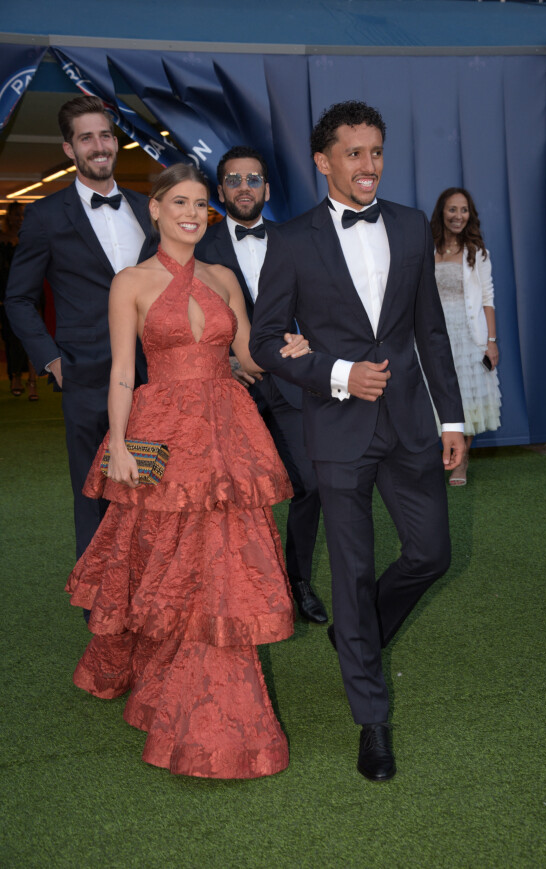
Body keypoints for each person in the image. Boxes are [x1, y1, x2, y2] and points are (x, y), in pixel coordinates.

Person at [65, 163, 311, 779]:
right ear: (155, 209)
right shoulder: (132, 282)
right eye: (180, 201)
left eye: (202, 203)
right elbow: (125, 370)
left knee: (217, 563)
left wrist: (300, 349)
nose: (193, 213)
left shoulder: (224, 277)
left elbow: (249, 355)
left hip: (226, 432)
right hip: (162, 434)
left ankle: (207, 703)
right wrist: (118, 442)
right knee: (158, 555)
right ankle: (152, 671)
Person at [250, 101, 465, 782]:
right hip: (338, 429)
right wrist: (338, 372)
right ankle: (372, 721)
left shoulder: (406, 225)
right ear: (324, 160)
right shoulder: (289, 240)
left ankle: (358, 633)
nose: (368, 165)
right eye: (354, 153)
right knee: (352, 570)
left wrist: (453, 420)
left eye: (375, 152)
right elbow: (262, 342)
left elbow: (429, 330)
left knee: (431, 552)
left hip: (409, 425)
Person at [4, 95, 156, 564]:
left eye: (105, 135)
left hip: (155, 374)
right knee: (94, 491)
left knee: (153, 486)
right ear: (69, 149)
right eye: (86, 137)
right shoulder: (46, 216)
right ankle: (101, 605)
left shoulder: (147, 207)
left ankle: (152, 590)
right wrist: (52, 361)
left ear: (115, 142)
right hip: (87, 376)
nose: (99, 145)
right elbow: (17, 298)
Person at [196, 146, 327, 625]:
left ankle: (296, 583)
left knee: (308, 484)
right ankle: (231, 591)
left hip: (290, 384)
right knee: (228, 495)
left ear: (267, 190)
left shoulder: (296, 240)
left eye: (253, 179)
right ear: (220, 191)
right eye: (234, 179)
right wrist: (222, 359)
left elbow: (322, 304)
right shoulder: (198, 247)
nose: (244, 187)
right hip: (227, 387)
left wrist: (308, 337)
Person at [430, 188, 501, 485]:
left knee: (466, 400)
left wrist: (491, 342)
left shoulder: (478, 253)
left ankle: (462, 461)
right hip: (434, 336)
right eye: (452, 209)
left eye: (464, 210)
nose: (458, 216)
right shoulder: (428, 249)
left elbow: (487, 299)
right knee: (436, 397)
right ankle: (440, 457)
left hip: (469, 337)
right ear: (442, 213)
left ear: (470, 215)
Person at [0, 203, 39, 400]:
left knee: (33, 336)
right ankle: (15, 377)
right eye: (15, 215)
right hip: (8, 297)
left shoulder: (32, 237)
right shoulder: (2, 240)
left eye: (21, 215)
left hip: (33, 295)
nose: (18, 219)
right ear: (8, 218)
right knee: (12, 338)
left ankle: (32, 382)